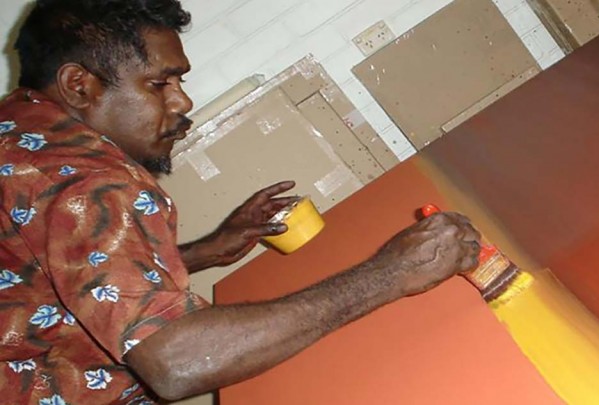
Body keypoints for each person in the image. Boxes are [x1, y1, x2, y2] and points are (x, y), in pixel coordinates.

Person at [0, 0, 482, 403]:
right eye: (160, 83)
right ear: (79, 85)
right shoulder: (87, 182)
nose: (182, 102)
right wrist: (392, 272)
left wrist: (205, 250)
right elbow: (176, 363)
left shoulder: (18, 133)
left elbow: (65, 276)